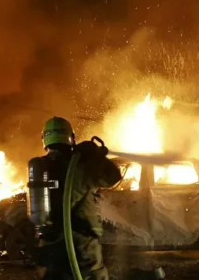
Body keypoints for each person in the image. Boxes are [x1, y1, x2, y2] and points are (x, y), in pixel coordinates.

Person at [35, 116, 122, 280]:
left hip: (48, 247)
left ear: (45, 140)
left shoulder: (41, 168)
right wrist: (95, 155)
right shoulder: (82, 165)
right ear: (71, 138)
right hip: (81, 246)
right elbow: (113, 176)